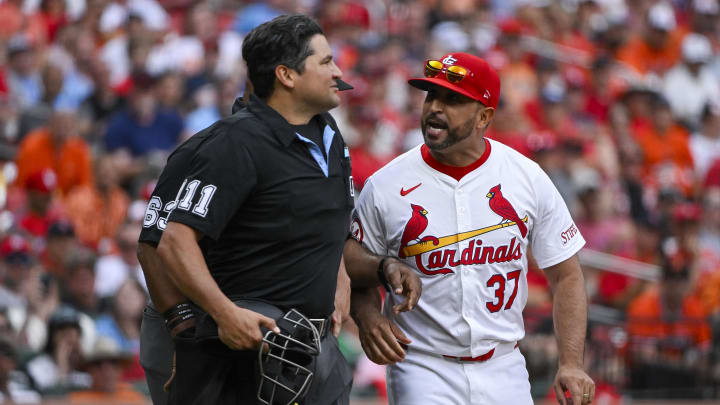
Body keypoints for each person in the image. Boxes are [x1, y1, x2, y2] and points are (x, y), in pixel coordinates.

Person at [147, 14, 420, 405]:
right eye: (325, 62)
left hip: (314, 349)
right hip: (241, 358)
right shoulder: (234, 142)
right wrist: (222, 314)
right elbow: (172, 242)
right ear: (286, 76)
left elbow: (327, 231)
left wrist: (354, 271)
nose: (338, 71)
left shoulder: (329, 136)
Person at [347, 52, 595, 405]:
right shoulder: (386, 184)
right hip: (422, 365)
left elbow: (567, 275)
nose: (435, 107)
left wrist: (571, 362)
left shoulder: (525, 177)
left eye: (453, 100)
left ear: (484, 116)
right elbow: (353, 262)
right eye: (431, 96)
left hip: (504, 364)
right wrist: (368, 313)